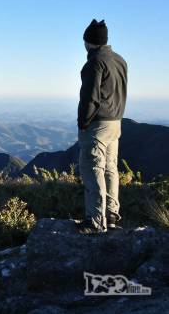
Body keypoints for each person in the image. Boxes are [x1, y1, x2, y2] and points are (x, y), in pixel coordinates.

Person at [77, 19, 128, 234]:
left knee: (92, 169)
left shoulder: (95, 63)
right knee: (110, 168)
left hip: (97, 125)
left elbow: (90, 97)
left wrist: (83, 122)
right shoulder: (120, 60)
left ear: (89, 42)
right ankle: (111, 215)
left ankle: (96, 221)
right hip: (115, 123)